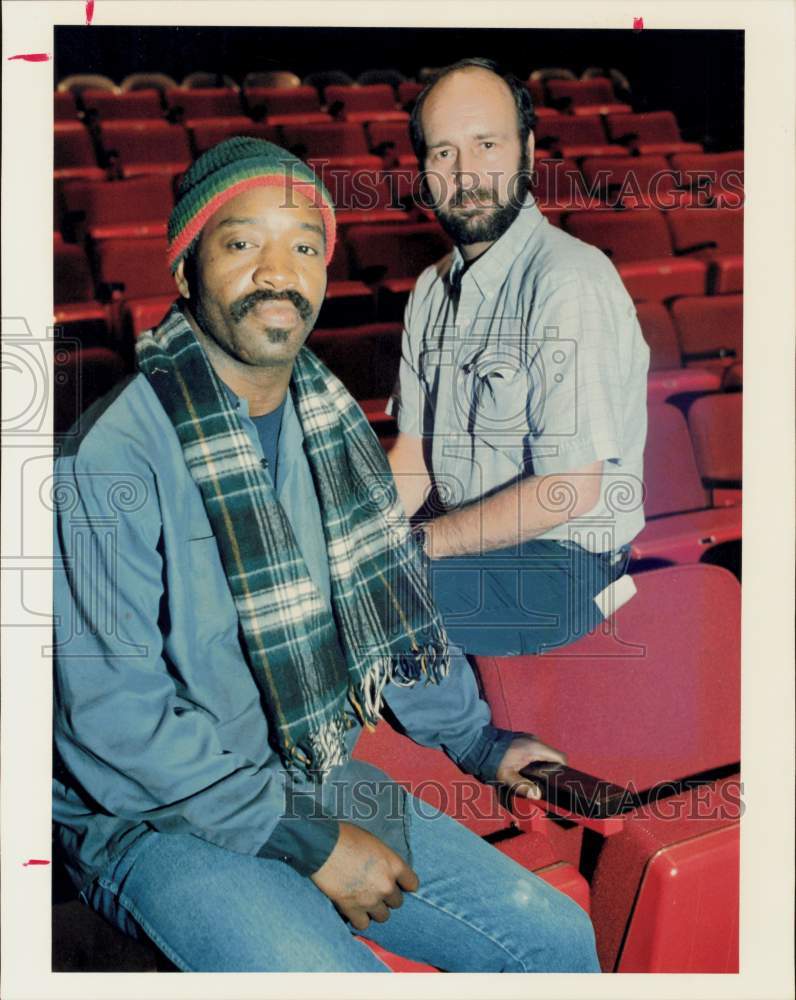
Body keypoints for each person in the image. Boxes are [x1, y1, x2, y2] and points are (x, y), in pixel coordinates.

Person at [52, 137, 600, 973]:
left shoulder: (330, 427)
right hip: (149, 813)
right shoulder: (104, 460)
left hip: (301, 773)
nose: (280, 271)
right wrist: (307, 840)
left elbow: (392, 611)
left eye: (304, 246)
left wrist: (485, 746)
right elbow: (114, 720)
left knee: (554, 938)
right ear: (185, 268)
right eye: (242, 244)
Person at [388, 58, 650, 656]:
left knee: (369, 601)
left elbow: (567, 490)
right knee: (326, 577)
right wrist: (365, 536)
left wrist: (416, 545)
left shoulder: (568, 281)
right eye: (444, 152)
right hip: (475, 546)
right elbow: (414, 456)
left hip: (566, 566)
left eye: (486, 144)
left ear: (528, 152)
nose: (467, 173)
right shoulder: (431, 290)